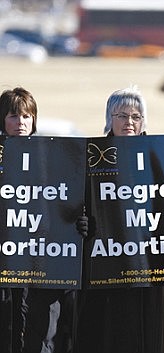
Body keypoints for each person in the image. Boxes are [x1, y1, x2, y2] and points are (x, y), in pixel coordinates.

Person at [75, 85, 164, 353]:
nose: (129, 122)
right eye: (122, 115)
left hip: (145, 267)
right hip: (102, 265)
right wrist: (81, 223)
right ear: (109, 119)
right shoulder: (92, 157)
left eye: (136, 116)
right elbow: (77, 201)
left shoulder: (156, 155)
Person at [0, 87, 80, 353]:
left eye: (26, 116)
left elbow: (65, 206)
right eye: (13, 116)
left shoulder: (51, 158)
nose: (20, 122)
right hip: (6, 269)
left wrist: (77, 224)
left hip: (42, 268)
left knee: (41, 337)